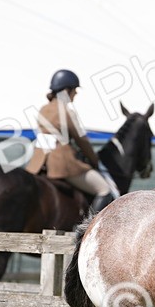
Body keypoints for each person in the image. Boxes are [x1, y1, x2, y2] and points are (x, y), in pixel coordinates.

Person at [24, 69, 114, 213]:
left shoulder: (43, 109)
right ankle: (87, 228)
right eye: (75, 90)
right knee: (104, 190)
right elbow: (81, 140)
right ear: (67, 90)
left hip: (39, 162)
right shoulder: (66, 111)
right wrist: (95, 161)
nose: (76, 93)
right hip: (61, 162)